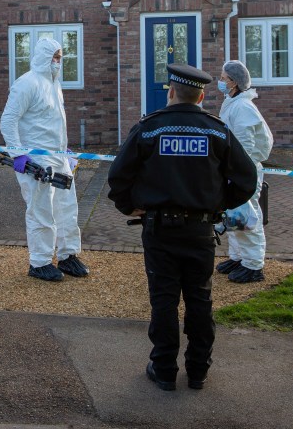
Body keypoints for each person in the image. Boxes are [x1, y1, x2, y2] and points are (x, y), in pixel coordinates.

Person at [107, 63, 258, 391]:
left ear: (171, 92)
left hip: (159, 230)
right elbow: (247, 179)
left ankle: (163, 370)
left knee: (163, 300)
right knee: (199, 298)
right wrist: (219, 203)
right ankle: (198, 370)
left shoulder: (148, 128)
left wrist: (127, 204)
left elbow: (118, 176)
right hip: (200, 231)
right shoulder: (217, 131)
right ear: (202, 95)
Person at [0, 37, 87, 282]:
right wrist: (18, 154)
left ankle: (68, 256)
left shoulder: (54, 83)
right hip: (36, 161)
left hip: (57, 156)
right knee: (41, 210)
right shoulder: (26, 84)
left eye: (61, 58)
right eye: (55, 58)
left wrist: (65, 150)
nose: (59, 62)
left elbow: (52, 121)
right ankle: (40, 262)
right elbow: (8, 120)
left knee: (67, 208)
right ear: (44, 57)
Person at [215, 60, 274, 283]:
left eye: (223, 78)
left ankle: (254, 265)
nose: (220, 82)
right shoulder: (233, 103)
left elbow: (245, 145)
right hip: (234, 171)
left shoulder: (242, 107)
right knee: (234, 215)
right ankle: (238, 257)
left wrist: (236, 171)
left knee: (247, 217)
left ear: (234, 82)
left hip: (243, 171)